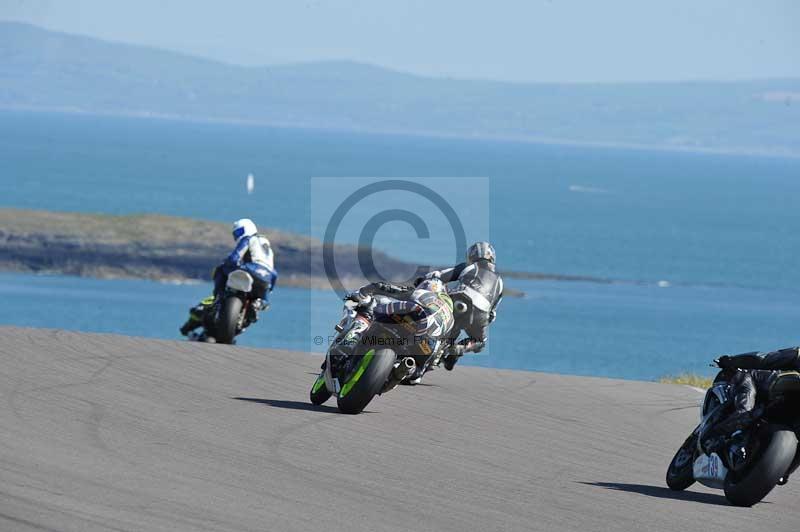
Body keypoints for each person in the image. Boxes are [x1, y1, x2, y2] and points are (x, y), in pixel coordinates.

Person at [709, 347, 800, 479]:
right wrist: (730, 361)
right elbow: (762, 359)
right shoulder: (796, 355)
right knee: (745, 409)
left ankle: (783, 470)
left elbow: (762, 359)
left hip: (781, 412)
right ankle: (718, 434)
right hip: (762, 387)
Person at [347, 276, 455, 384]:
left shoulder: (422, 293)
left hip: (403, 319)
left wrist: (372, 288)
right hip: (425, 341)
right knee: (416, 374)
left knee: (372, 316)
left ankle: (355, 341)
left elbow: (389, 289)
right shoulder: (451, 319)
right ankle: (404, 368)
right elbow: (442, 346)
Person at [180, 218, 277, 336]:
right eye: (236, 234)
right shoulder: (268, 249)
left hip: (251, 270)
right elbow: (274, 273)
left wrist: (230, 263)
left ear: (248, 229)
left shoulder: (249, 238)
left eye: (239, 232)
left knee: (221, 269)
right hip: (266, 279)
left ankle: (218, 297)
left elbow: (234, 257)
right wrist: (268, 291)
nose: (237, 236)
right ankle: (259, 302)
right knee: (261, 293)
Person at [423, 241, 503, 371]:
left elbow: (438, 276)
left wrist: (422, 281)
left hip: (459, 299)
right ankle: (461, 347)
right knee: (480, 341)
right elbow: (493, 314)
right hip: (481, 312)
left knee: (438, 319)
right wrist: (481, 322)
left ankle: (429, 344)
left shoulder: (467, 267)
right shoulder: (500, 282)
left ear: (471, 256)